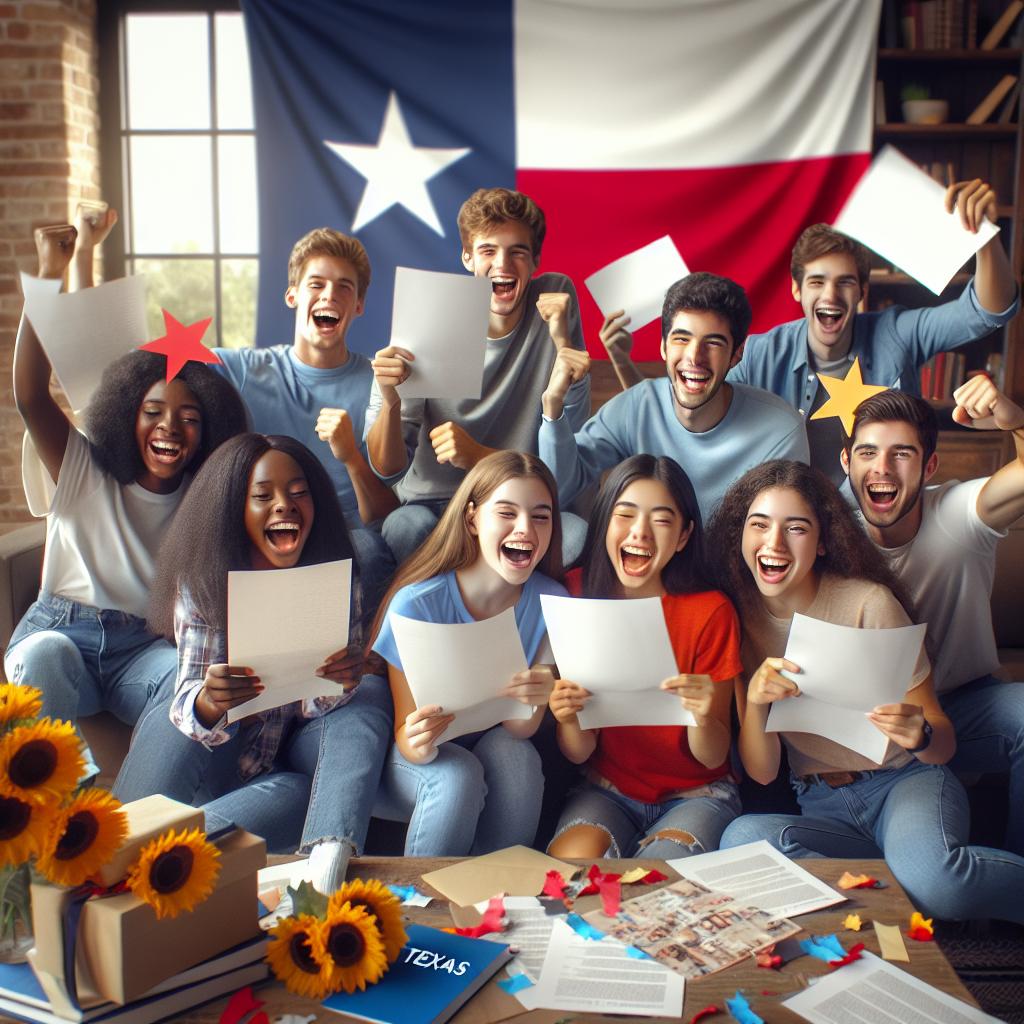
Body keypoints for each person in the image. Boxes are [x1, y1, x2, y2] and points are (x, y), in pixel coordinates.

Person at [711, 460, 1024, 923]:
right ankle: (896, 891)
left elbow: (943, 745)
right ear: (741, 535)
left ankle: (906, 887)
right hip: (821, 803)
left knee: (941, 881)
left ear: (822, 542)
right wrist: (757, 704)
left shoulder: (868, 603)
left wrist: (919, 733)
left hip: (904, 783)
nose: (773, 543)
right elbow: (761, 772)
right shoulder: (736, 617)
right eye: (759, 525)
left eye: (795, 528)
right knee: (740, 839)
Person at [6, 223, 247, 780]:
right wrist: (49, 273)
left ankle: (138, 811)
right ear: (124, 415)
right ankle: (72, 803)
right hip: (61, 632)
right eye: (153, 413)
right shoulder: (82, 467)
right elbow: (28, 392)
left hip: (141, 648)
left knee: (185, 682)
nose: (170, 429)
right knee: (43, 657)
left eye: (190, 419)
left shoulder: (202, 499)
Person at [141, 433, 392, 893]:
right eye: (263, 496)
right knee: (169, 705)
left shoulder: (336, 578)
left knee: (361, 705)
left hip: (283, 765)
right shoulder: (202, 584)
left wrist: (338, 681)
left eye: (299, 494)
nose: (284, 505)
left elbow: (316, 713)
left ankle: (328, 861)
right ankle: (140, 852)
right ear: (236, 510)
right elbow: (185, 710)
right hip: (217, 757)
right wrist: (210, 703)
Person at [728, 181, 1018, 483]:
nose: (830, 295)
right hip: (794, 522)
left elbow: (986, 311)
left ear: (862, 291)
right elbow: (704, 403)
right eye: (817, 282)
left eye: (845, 282)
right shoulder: (760, 353)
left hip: (878, 519)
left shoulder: (897, 333)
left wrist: (985, 239)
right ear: (796, 289)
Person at [842, 382, 1024, 855]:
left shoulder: (962, 513)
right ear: (847, 464)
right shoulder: (830, 535)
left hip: (965, 708)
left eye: (901, 454)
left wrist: (1012, 419)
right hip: (875, 720)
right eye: (867, 452)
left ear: (930, 466)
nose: (882, 468)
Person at [365, 187, 591, 564]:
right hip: (433, 504)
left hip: (518, 502)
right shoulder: (431, 314)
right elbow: (388, 469)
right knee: (405, 528)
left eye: (517, 251)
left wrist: (479, 457)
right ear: (467, 257)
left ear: (534, 261)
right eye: (488, 250)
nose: (502, 263)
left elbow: (565, 458)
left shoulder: (553, 303)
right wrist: (391, 401)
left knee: (575, 536)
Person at [368, 450, 566, 855]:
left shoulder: (553, 601)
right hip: (414, 759)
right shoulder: (416, 604)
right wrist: (420, 739)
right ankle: (424, 902)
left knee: (518, 757)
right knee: (459, 773)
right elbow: (407, 741)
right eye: (507, 513)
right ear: (473, 518)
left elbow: (519, 730)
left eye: (540, 516)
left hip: (495, 741)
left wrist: (537, 697)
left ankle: (499, 892)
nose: (525, 529)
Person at [547, 455, 741, 860]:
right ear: (604, 522)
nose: (640, 533)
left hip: (698, 794)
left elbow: (712, 754)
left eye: (662, 520)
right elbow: (579, 751)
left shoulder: (710, 611)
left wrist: (703, 716)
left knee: (655, 885)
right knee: (568, 872)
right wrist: (567, 717)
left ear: (684, 536)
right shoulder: (575, 594)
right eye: (626, 515)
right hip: (605, 789)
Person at [210, 227, 398, 604]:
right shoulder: (246, 368)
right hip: (265, 527)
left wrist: (351, 458)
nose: (330, 294)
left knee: (372, 550)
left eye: (345, 287)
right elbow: (149, 364)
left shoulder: (378, 384)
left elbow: (382, 515)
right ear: (292, 295)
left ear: (359, 305)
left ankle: (368, 661)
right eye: (317, 284)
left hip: (345, 538)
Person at [539, 273, 809, 524]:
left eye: (713, 343)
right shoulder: (635, 407)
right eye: (681, 339)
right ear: (663, 347)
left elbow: (780, 534)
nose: (694, 357)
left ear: (736, 355)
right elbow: (559, 490)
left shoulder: (779, 431)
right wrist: (553, 409)